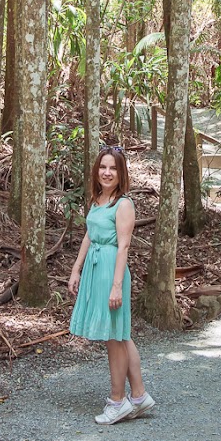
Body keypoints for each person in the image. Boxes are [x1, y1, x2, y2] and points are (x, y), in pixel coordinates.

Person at [68, 146, 155, 425]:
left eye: (113, 168)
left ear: (121, 173)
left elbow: (124, 245)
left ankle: (118, 401)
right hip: (95, 268)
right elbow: (89, 236)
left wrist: (116, 285)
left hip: (111, 270)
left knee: (114, 337)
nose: (107, 172)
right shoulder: (98, 200)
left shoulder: (123, 203)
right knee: (120, 333)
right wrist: (76, 268)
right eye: (103, 167)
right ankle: (139, 396)